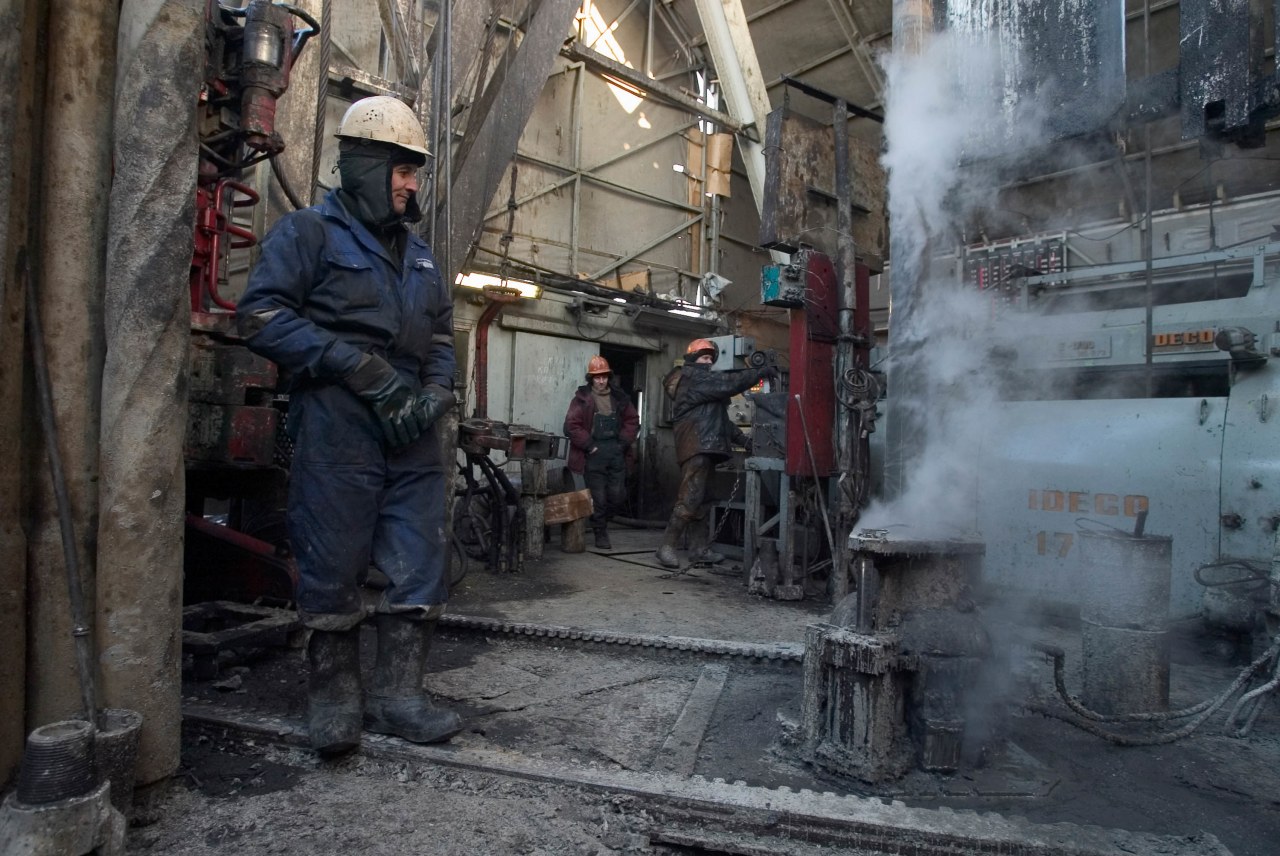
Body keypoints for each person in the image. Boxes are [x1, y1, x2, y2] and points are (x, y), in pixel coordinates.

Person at [236, 95, 461, 757]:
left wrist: (436, 393)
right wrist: (358, 370)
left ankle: (399, 695)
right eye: (399, 168)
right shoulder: (309, 233)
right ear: (361, 164)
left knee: (421, 557)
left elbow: (442, 333)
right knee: (332, 559)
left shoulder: (419, 256)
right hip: (339, 420)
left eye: (414, 171)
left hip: (412, 428)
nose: (410, 183)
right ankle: (334, 696)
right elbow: (262, 318)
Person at [656, 338, 776, 569]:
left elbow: (723, 422)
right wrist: (758, 372)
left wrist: (745, 441)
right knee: (690, 497)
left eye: (711, 358)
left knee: (705, 500)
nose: (708, 361)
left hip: (709, 446)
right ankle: (667, 547)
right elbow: (728, 383)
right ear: (692, 360)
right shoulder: (693, 378)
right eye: (704, 357)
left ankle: (698, 549)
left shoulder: (707, 387)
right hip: (696, 446)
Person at [563, 356, 640, 550]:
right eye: (597, 377)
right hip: (594, 453)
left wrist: (622, 443)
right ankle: (600, 532)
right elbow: (571, 426)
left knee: (617, 495)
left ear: (608, 377)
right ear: (591, 378)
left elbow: (632, 420)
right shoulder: (582, 399)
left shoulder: (620, 397)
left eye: (604, 376)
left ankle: (603, 521)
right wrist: (589, 445)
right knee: (599, 498)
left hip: (616, 451)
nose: (601, 380)